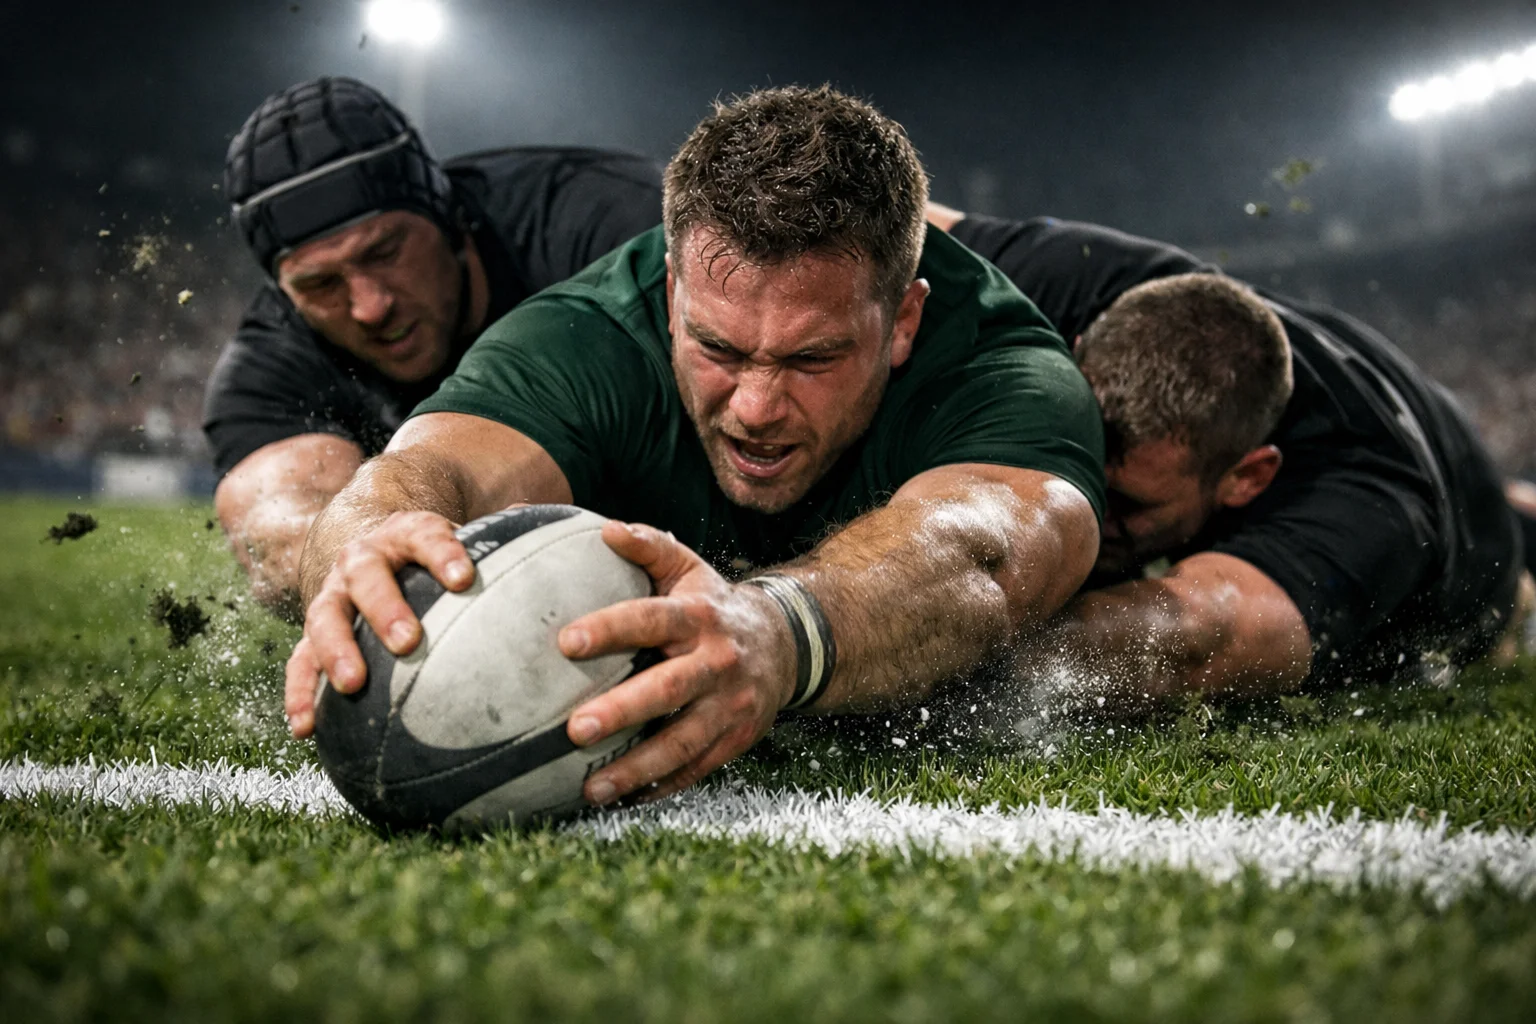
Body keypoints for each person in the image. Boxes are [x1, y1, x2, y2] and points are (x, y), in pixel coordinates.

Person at [284, 85, 1106, 808]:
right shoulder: (588, 334)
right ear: (674, 296)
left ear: (903, 323)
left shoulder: (1001, 366)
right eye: (718, 348)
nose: (754, 408)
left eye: (811, 357)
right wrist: (368, 541)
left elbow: (984, 551)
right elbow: (426, 469)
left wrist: (779, 631)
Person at [929, 206, 1524, 702]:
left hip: (1471, 523)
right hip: (1328, 351)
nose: (1081, 505)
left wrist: (922, 650)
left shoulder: (1366, 501)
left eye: (1127, 505)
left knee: (1503, 616)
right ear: (1078, 348)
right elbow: (883, 217)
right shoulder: (1079, 283)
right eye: (1078, 455)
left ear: (1248, 477)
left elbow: (1192, 638)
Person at [203, 77, 663, 620]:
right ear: (286, 293)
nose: (369, 307)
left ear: (446, 213)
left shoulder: (609, 226)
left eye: (385, 251)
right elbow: (282, 527)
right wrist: (371, 555)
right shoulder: (267, 365)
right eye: (321, 284)